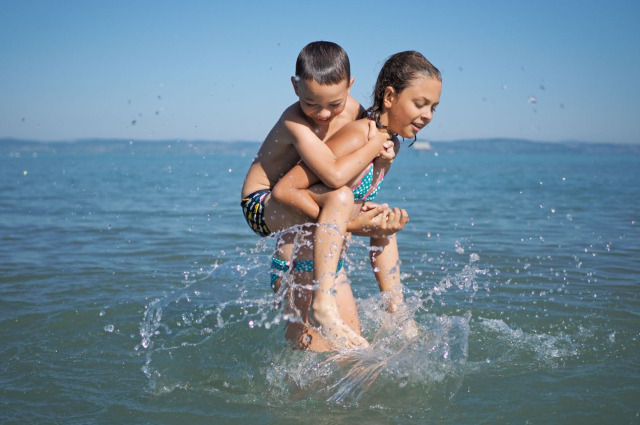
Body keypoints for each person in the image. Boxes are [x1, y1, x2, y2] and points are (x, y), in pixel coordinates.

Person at [271, 50, 442, 351]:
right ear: (390, 97)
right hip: (298, 261)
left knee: (358, 357)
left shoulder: (390, 146)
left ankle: (397, 312)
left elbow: (342, 217)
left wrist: (378, 224)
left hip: (329, 267)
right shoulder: (358, 135)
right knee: (310, 349)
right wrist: (354, 223)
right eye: (420, 104)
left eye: (433, 108)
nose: (427, 115)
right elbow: (291, 189)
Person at [240, 41, 401, 347]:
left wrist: (386, 152)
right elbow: (333, 175)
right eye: (312, 103)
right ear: (295, 86)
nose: (323, 114)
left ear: (350, 87)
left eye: (334, 104)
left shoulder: (355, 112)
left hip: (301, 197)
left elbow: (362, 169)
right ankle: (323, 303)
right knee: (340, 199)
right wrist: (375, 143)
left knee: (378, 213)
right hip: (263, 204)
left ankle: (396, 310)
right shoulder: (295, 123)